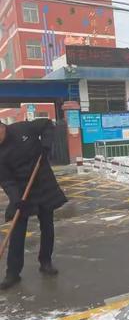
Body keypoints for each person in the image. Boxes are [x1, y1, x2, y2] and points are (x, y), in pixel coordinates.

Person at [0, 119, 68, 290]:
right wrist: (16, 200)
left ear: (3, 128)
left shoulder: (22, 128)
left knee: (47, 226)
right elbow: (6, 180)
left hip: (42, 181)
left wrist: (45, 145)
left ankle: (45, 262)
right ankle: (13, 273)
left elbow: (47, 124)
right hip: (22, 191)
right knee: (17, 231)